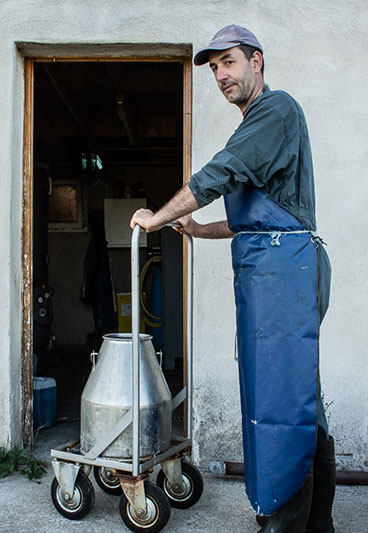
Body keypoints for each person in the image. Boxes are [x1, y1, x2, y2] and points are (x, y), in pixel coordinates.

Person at [130, 24, 334, 533]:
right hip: (272, 268)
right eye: (215, 67)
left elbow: (219, 174)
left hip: (285, 272)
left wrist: (156, 217)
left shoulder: (276, 109)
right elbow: (251, 219)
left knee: (281, 398)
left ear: (257, 62)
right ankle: (317, 524)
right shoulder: (254, 124)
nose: (221, 75)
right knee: (299, 397)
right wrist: (198, 229)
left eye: (229, 62)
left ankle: (284, 525)